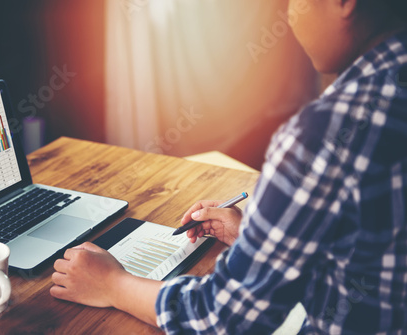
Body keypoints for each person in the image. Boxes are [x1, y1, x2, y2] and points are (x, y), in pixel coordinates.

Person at [50, 0, 407, 333]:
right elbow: (369, 247)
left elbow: (227, 317)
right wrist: (259, 238)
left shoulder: (327, 131)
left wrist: (113, 284)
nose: (289, 15)